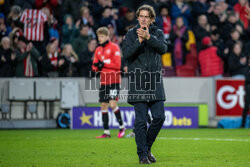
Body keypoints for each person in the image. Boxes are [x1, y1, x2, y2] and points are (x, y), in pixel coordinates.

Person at [122, 5, 167, 164]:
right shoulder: (130, 34)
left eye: (146, 16)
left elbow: (163, 48)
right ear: (137, 18)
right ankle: (142, 155)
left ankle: (147, 147)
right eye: (141, 16)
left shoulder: (158, 33)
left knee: (160, 117)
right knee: (140, 122)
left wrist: (149, 38)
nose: (143, 19)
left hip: (154, 82)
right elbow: (126, 54)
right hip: (138, 82)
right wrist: (139, 41)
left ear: (152, 19)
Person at [92, 27, 126, 139]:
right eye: (98, 37)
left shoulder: (114, 47)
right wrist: (95, 69)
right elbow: (95, 65)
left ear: (107, 36)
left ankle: (122, 127)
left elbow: (117, 65)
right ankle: (106, 132)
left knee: (112, 104)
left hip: (114, 81)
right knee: (103, 105)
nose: (100, 39)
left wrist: (104, 64)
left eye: (102, 36)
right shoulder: (98, 50)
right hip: (103, 81)